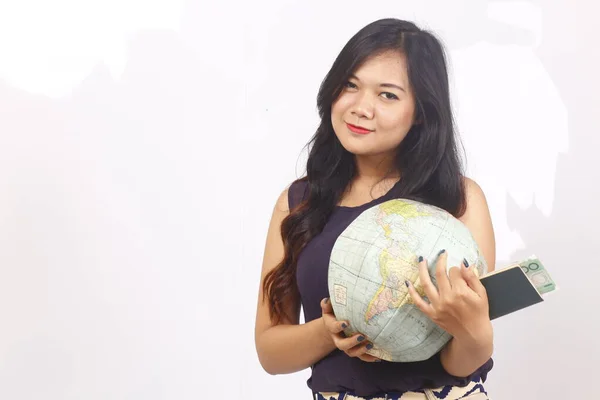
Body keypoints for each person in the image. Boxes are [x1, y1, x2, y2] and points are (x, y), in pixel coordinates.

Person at [254, 18, 496, 400]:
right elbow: (270, 352)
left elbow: (461, 360)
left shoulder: (459, 200)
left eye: (388, 95)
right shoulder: (297, 203)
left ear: (420, 111)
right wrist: (327, 332)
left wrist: (474, 331)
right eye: (350, 85)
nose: (361, 108)